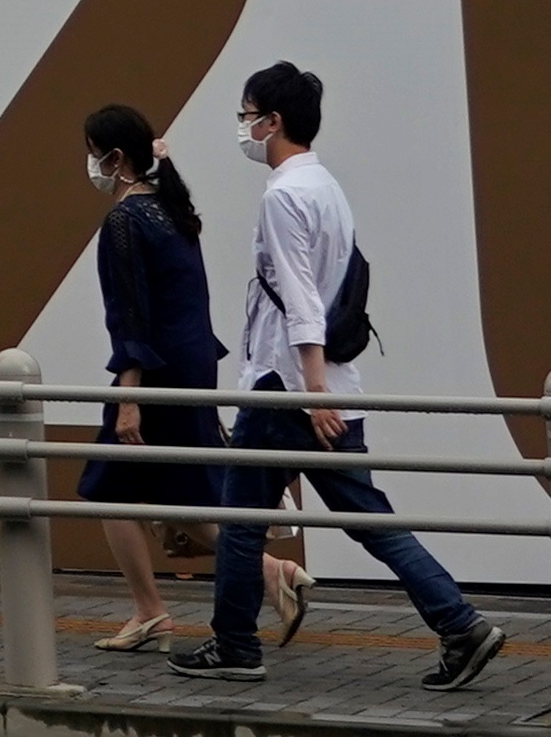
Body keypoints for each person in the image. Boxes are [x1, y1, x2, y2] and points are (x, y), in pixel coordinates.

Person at [182, 62, 503, 695]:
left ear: (272, 122)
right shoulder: (326, 186)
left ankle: (236, 645)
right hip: (329, 384)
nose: (242, 127)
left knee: (241, 520)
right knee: (368, 517)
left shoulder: (282, 195)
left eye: (246, 113)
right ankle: (459, 624)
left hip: (286, 388)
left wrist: (310, 393)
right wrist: (326, 388)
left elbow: (300, 299)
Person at [75, 100, 243, 653]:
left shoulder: (124, 220)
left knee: (113, 487)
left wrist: (128, 400)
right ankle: (152, 610)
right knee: (165, 489)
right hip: (192, 363)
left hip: (154, 371)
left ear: (116, 158)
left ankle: (262, 575)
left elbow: (130, 316)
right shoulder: (174, 210)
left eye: (94, 153)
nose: (90, 163)